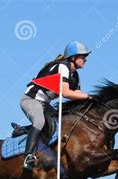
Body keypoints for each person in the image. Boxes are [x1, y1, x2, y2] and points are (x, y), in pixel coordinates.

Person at [21, 40, 93, 170]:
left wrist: (91, 102)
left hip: (44, 103)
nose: (85, 59)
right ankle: (28, 157)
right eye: (83, 56)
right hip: (30, 100)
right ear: (73, 57)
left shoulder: (75, 75)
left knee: (59, 122)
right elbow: (66, 93)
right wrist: (88, 96)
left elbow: (77, 95)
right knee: (39, 121)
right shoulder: (62, 66)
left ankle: (25, 130)